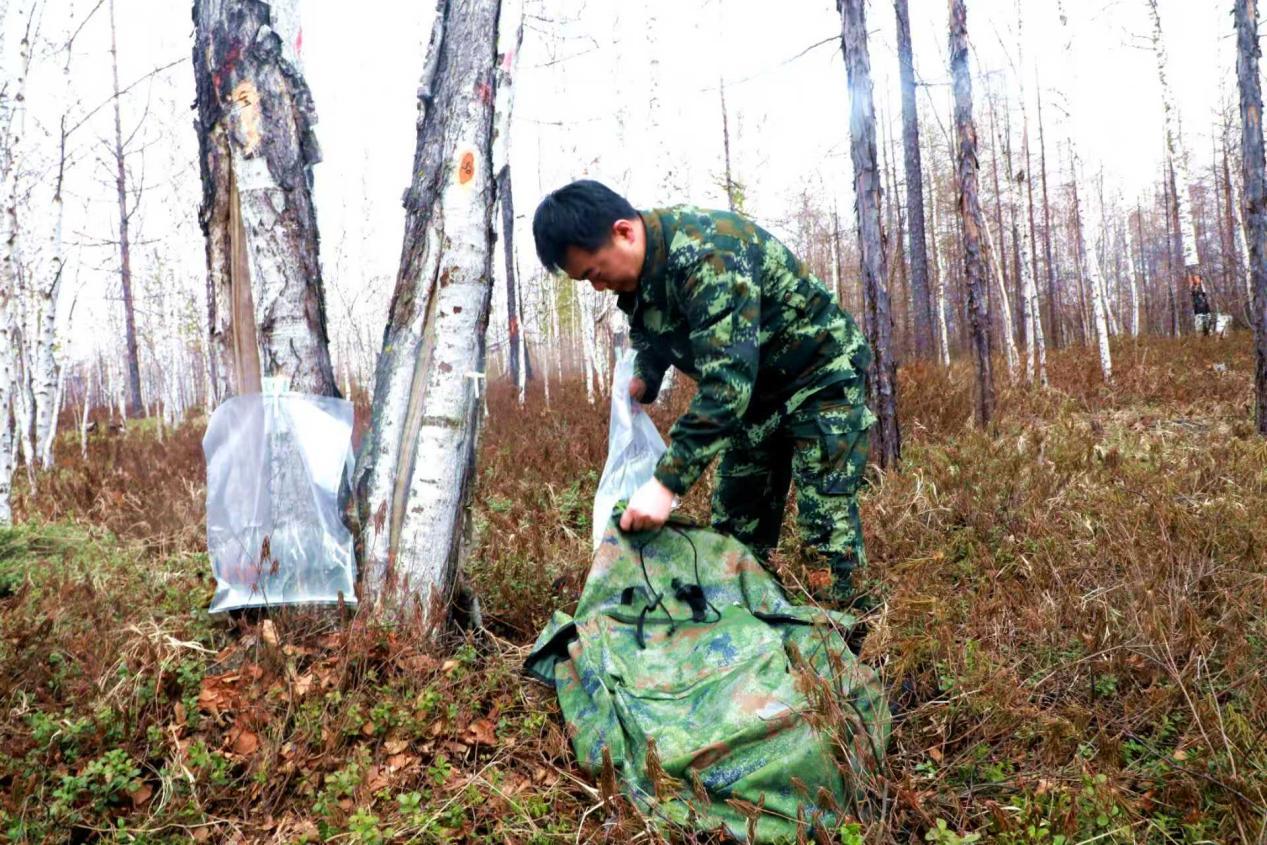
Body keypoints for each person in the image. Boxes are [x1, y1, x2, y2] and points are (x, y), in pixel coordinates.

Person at [532, 180, 875, 606]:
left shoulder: (709, 254)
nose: (599, 287)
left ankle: (843, 635)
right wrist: (645, 376)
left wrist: (665, 483)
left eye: (595, 273)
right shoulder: (638, 275)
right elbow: (653, 331)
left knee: (825, 531)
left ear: (623, 232)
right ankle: (756, 628)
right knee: (735, 531)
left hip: (819, 380)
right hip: (756, 399)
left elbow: (726, 384)